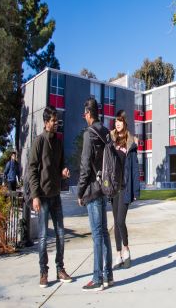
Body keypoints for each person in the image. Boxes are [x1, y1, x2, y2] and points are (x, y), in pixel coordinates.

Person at [28, 106, 72, 288]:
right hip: (43, 197)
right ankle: (43, 272)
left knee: (61, 234)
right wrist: (35, 196)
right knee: (44, 236)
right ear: (46, 123)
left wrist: (64, 171)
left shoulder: (59, 143)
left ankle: (60, 268)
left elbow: (61, 165)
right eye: (54, 120)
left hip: (56, 196)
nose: (56, 123)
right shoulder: (39, 142)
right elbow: (32, 169)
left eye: (57, 120)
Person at [77, 97, 113, 291]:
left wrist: (80, 191)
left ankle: (97, 277)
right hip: (105, 186)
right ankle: (109, 275)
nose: (85, 118)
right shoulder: (106, 132)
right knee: (104, 233)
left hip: (92, 189)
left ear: (88, 114)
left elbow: (84, 166)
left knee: (97, 234)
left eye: (85, 114)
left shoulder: (89, 134)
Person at [111, 110, 140, 269]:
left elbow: (135, 168)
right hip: (114, 187)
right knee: (115, 222)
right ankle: (118, 255)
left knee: (121, 221)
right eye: (116, 121)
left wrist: (136, 191)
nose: (117, 123)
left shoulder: (131, 143)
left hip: (125, 186)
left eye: (120, 121)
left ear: (125, 123)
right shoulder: (111, 139)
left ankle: (127, 248)